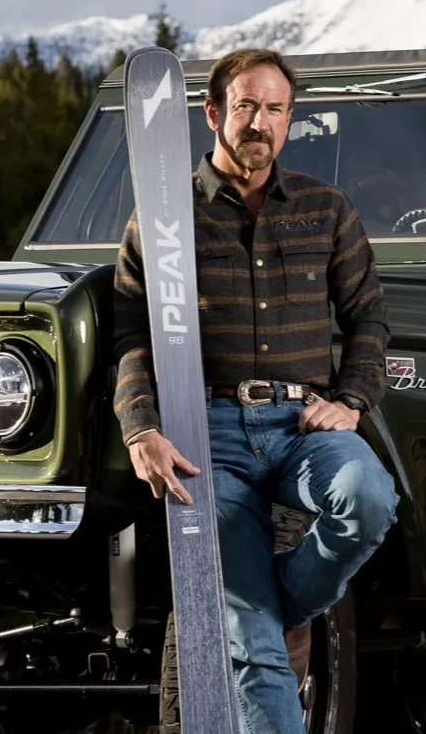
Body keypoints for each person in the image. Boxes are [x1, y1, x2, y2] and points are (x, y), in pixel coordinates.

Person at [113, 47, 398, 734]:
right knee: (255, 650)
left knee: (369, 498)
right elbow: (131, 333)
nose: (258, 122)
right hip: (205, 432)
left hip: (303, 423)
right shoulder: (162, 216)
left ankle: (277, 601)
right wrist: (140, 427)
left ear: (289, 119)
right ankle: (265, 621)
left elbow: (369, 318)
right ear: (213, 113)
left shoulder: (326, 209)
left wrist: (352, 400)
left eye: (273, 109)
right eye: (245, 107)